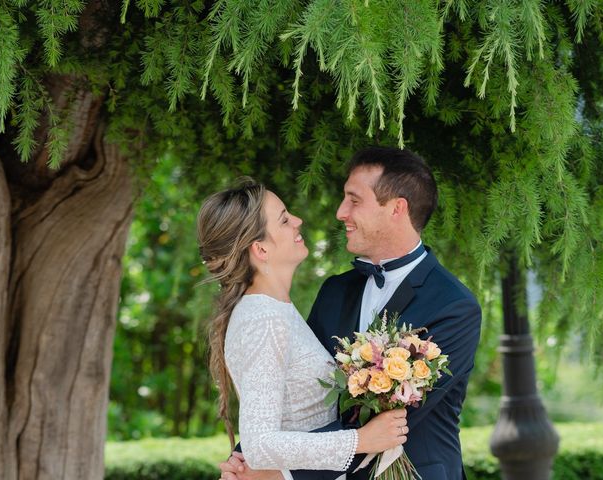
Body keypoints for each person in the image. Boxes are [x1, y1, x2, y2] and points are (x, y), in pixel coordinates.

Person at [220, 147, 482, 480]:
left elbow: (384, 425)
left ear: (396, 209)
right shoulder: (335, 291)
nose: (341, 212)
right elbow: (302, 394)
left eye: (354, 200)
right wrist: (245, 457)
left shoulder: (453, 306)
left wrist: (276, 473)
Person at [197, 178, 409, 480]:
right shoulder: (263, 319)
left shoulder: (275, 310)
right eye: (284, 220)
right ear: (261, 249)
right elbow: (260, 444)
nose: (297, 221)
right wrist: (361, 440)